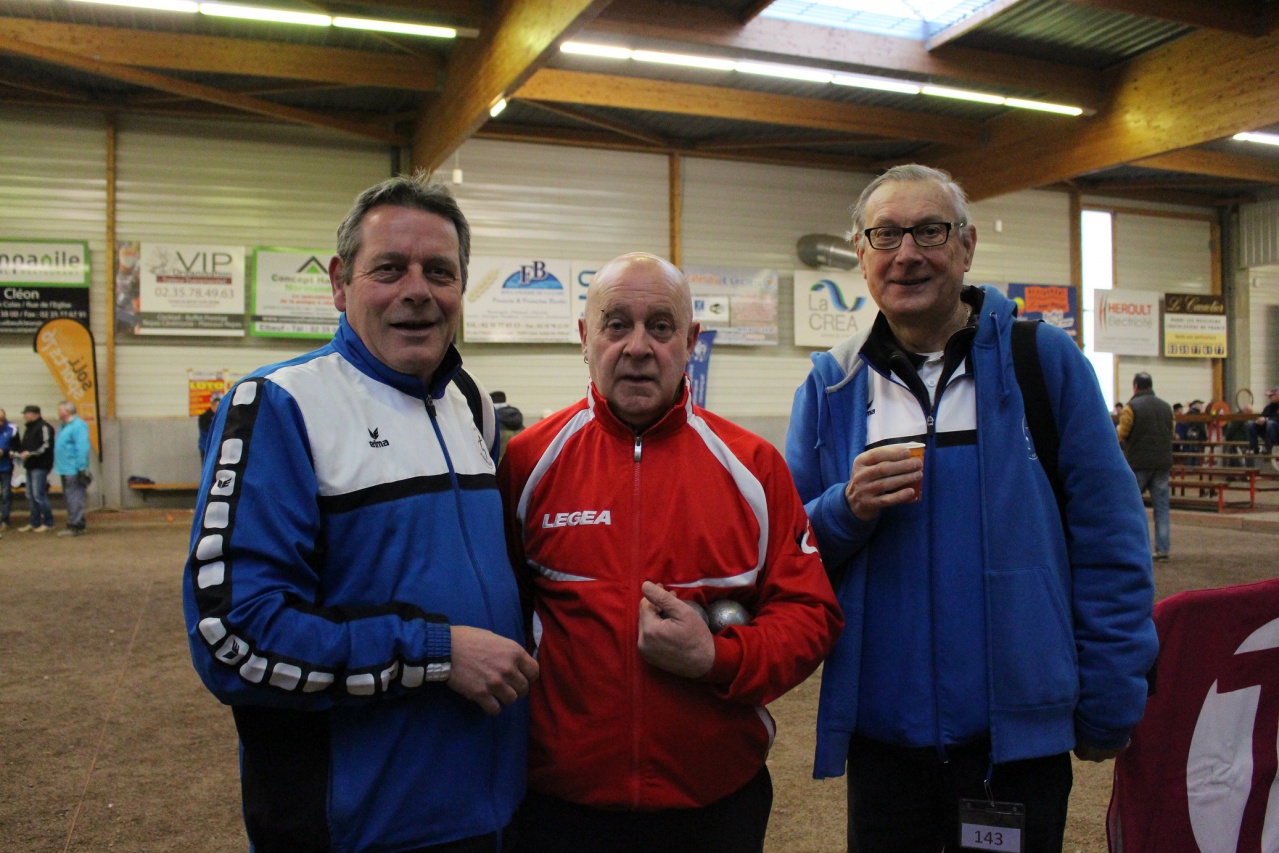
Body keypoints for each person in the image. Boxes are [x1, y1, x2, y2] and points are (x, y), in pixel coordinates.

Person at [785, 164, 1157, 853]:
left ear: (965, 245)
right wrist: (844, 508)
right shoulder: (832, 384)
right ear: (861, 254)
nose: (907, 253)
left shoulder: (1042, 364)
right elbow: (785, 551)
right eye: (885, 235)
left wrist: (1110, 696)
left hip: (1014, 746)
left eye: (929, 230)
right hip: (884, 742)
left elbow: (1110, 541)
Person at [182, 174, 537, 853]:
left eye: (440, 271)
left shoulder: (470, 405)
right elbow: (233, 636)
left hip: (494, 814)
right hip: (360, 830)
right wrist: (435, 652)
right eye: (389, 269)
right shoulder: (280, 406)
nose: (417, 290)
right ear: (340, 283)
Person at [498, 252, 842, 853]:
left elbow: (810, 616)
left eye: (660, 326)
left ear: (690, 341)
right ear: (585, 338)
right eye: (616, 324)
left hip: (712, 807)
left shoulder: (755, 469)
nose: (637, 346)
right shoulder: (528, 463)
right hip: (559, 807)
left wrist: (717, 657)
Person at [1117, 374, 1174, 561]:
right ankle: (1163, 549)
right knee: (1162, 509)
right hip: (1162, 463)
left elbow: (1122, 433)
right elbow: (1171, 433)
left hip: (1139, 464)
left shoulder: (1131, 408)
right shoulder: (1167, 408)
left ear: (1135, 387)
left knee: (1129, 506)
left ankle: (1128, 548)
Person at [52, 401, 91, 537]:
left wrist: (81, 467)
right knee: (70, 497)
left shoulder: (78, 426)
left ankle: (75, 525)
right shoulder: (64, 426)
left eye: (59, 409)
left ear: (67, 412)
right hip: (64, 468)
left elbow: (82, 447)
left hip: (73, 469)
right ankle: (78, 522)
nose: (58, 412)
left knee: (74, 497)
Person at [18, 405, 55, 533]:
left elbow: (46, 446)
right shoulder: (29, 428)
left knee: (39, 495)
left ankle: (48, 522)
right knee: (30, 495)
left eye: (26, 414)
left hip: (40, 466)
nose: (24, 416)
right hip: (30, 465)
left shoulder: (44, 427)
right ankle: (34, 522)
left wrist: (29, 454)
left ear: (34, 414)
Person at [1248, 386, 1279, 455]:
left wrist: (1266, 419)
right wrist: (1259, 420)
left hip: (1276, 431)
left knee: (1270, 423)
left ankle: (1268, 448)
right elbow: (1262, 415)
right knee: (1252, 424)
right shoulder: (1269, 407)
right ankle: (1254, 448)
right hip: (1269, 431)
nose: (1269, 397)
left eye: (1271, 395)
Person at [0, 408, 16, 532]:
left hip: (5, 467)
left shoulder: (12, 429)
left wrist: (5, 452)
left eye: (2, 419)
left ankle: (5, 520)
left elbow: (17, 448)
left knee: (6, 494)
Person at [196, 391, 222, 463]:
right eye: (216, 404)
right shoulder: (204, 417)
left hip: (219, 449)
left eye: (219, 404)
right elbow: (207, 431)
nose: (217, 407)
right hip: (207, 448)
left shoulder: (223, 416)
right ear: (212, 405)